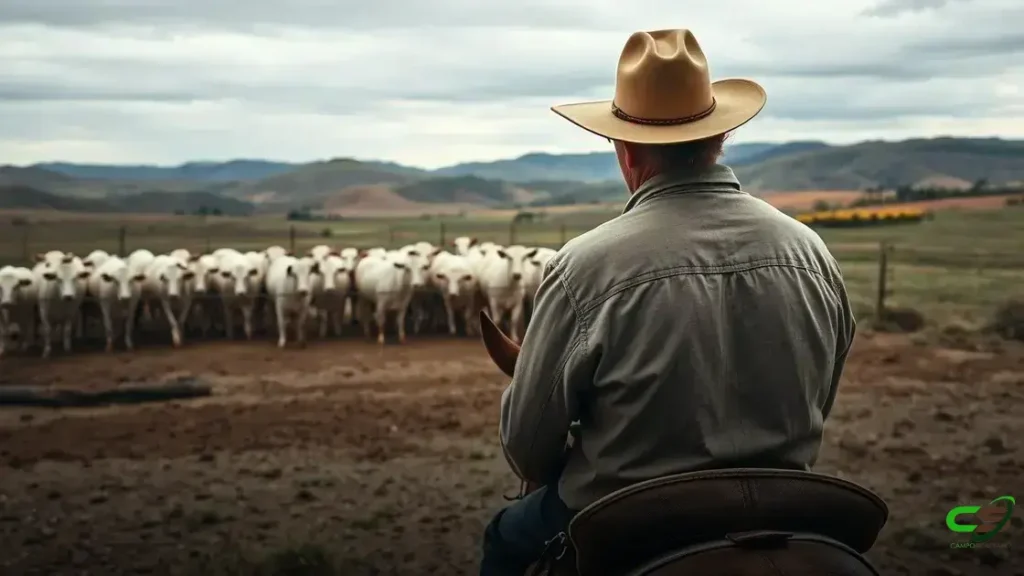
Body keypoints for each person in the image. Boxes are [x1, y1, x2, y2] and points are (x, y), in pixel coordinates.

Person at [478, 28, 856, 575]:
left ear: (624, 150)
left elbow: (529, 442)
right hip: (785, 500)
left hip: (630, 510)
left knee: (508, 541)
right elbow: (821, 398)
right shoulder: (811, 251)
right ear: (719, 139)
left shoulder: (585, 265)